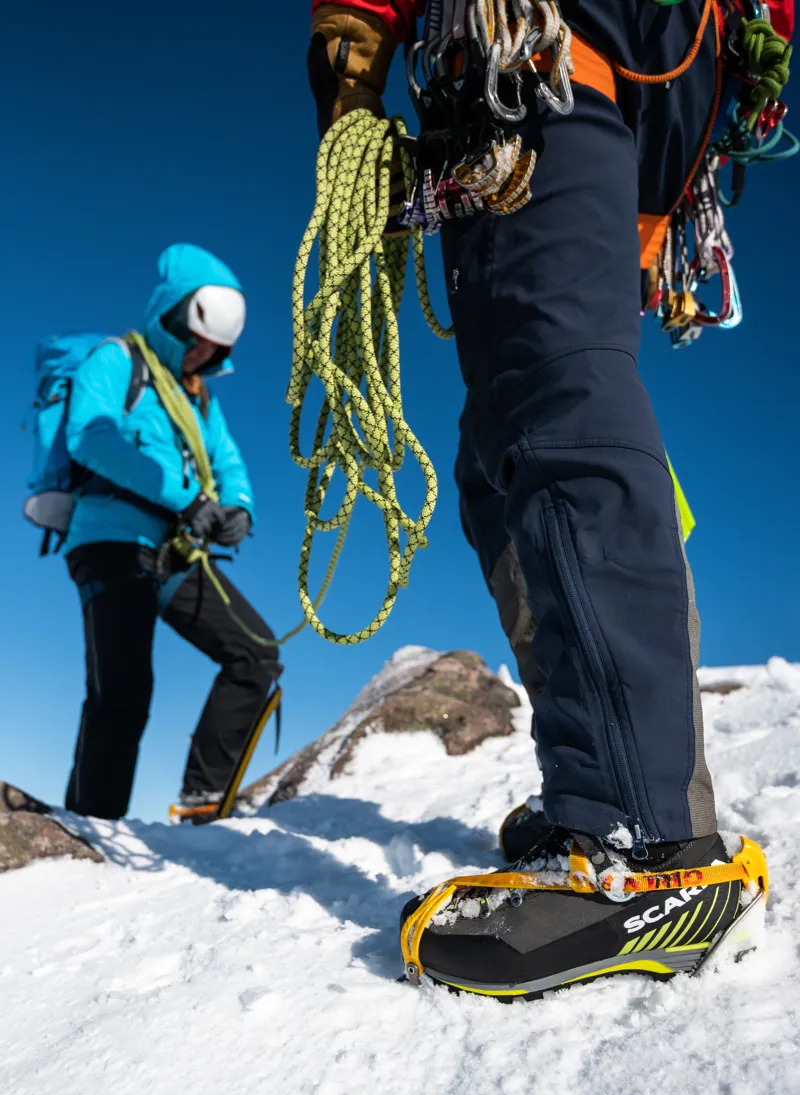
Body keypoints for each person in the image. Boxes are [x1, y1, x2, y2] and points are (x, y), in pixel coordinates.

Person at [307, 1, 786, 996]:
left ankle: (645, 840)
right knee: (505, 446)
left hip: (539, 54)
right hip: (635, 84)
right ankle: (613, 790)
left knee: (551, 397)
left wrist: (352, 50)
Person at [64, 244, 281, 821]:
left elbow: (228, 461)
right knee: (123, 686)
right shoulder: (117, 359)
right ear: (171, 315)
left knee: (255, 653)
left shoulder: (199, 399)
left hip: (173, 550)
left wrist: (237, 508)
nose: (202, 354)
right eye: (196, 339)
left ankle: (202, 799)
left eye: (215, 348)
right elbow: (89, 437)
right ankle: (90, 827)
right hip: (111, 539)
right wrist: (189, 500)